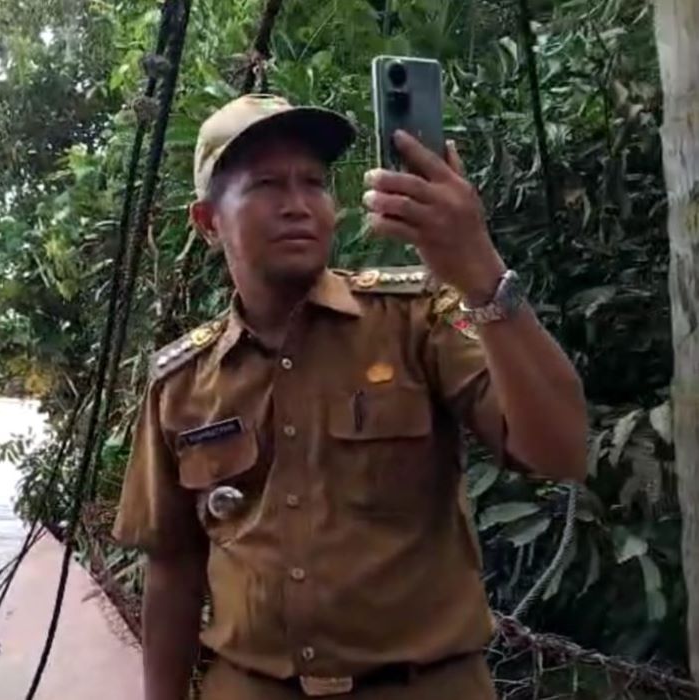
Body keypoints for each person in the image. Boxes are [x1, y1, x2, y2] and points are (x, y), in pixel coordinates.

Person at [111, 93, 588, 700]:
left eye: (313, 182)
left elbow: (562, 453)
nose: (298, 205)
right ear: (208, 222)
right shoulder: (182, 381)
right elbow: (174, 568)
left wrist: (478, 269)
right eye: (265, 185)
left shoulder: (420, 321)